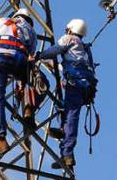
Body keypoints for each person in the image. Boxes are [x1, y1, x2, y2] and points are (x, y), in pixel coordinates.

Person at [30, 18, 96, 170]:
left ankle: (67, 154)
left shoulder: (69, 39)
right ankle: (63, 130)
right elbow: (73, 64)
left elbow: (56, 50)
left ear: (70, 29)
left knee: (71, 115)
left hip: (75, 83)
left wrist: (40, 55)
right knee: (64, 108)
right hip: (85, 86)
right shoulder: (84, 49)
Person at [0, 8, 38, 156]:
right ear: (29, 20)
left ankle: (1, 139)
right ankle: (28, 107)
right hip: (18, 58)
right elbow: (30, 56)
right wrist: (21, 83)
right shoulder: (30, 30)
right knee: (30, 74)